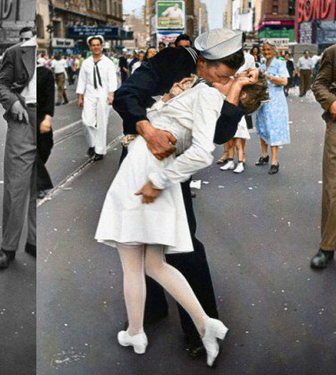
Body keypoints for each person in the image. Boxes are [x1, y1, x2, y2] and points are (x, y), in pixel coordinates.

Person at [96, 55, 265, 367]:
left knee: (175, 248)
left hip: (165, 168)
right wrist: (147, 125)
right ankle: (154, 316)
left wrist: (233, 93)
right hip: (147, 157)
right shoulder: (166, 63)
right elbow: (125, 95)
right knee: (148, 255)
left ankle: (195, 327)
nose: (215, 74)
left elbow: (217, 135)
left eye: (223, 72)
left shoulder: (220, 80)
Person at [0, 27, 37, 269]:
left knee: (41, 184)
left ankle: (34, 240)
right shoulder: (18, 52)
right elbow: (0, 85)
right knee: (16, 186)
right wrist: (13, 103)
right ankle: (8, 247)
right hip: (24, 118)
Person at [310, 43, 336, 269]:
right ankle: (327, 247)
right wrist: (332, 102)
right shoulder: (333, 53)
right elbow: (319, 84)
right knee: (333, 189)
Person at [218, 33, 257, 173]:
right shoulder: (225, 57)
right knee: (226, 125)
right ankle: (229, 157)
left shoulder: (249, 58)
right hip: (226, 94)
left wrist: (244, 77)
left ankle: (241, 158)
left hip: (242, 96)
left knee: (241, 130)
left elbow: (254, 76)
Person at [76, 35, 117, 161]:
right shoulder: (86, 63)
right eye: (93, 45)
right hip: (89, 95)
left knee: (102, 123)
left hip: (103, 95)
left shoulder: (108, 63)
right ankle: (92, 144)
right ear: (90, 47)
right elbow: (82, 81)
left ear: (101, 46)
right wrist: (80, 98)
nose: (96, 47)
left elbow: (112, 80)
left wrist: (111, 95)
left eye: (98, 45)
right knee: (87, 122)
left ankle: (100, 150)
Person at [255, 40, 290, 174]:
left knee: (273, 128)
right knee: (262, 127)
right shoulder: (261, 65)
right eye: (264, 50)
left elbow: (284, 81)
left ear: (274, 51)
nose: (266, 52)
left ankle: (275, 161)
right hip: (263, 100)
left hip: (275, 100)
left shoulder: (280, 64)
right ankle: (265, 155)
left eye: (269, 49)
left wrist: (268, 77)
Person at [37, 58, 55, 199]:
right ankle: (41, 184)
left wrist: (47, 118)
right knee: (30, 151)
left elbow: (49, 97)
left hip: (41, 115)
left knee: (45, 147)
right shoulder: (19, 71)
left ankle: (34, 176)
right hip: (23, 115)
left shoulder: (45, 73)